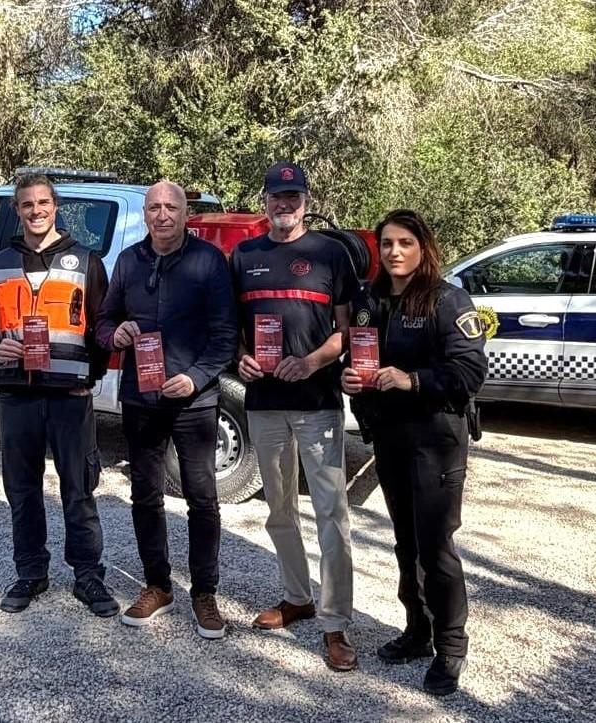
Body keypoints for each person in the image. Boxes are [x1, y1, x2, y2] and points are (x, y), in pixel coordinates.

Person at [342, 209, 488, 696]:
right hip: (391, 438)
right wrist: (351, 380)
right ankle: (417, 631)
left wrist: (412, 380)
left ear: (423, 247)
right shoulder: (371, 299)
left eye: (404, 242)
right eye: (386, 244)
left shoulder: (448, 300)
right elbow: (358, 355)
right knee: (405, 542)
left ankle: (451, 648)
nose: (394, 252)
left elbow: (469, 373)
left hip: (436, 441)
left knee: (436, 546)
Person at [0, 173, 118, 618]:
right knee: (22, 489)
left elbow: (102, 328)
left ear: (56, 207)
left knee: (78, 489)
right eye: (28, 204)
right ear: (18, 210)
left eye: (43, 203)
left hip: (70, 396)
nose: (36, 211)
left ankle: (88, 575)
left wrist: (87, 377)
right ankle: (31, 572)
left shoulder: (86, 261)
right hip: (17, 395)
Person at [230, 161, 360, 672]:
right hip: (262, 403)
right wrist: (239, 356)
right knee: (279, 510)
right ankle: (297, 597)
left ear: (305, 200)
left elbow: (348, 330)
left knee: (332, 515)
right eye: (276, 197)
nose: (284, 205)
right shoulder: (245, 254)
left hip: (317, 404)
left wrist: (311, 362)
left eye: (293, 197)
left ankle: (335, 624)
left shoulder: (331, 252)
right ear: (264, 201)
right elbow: (233, 326)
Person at [95, 180, 238, 639]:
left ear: (184, 214)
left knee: (202, 498)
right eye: (154, 207)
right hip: (141, 398)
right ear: (146, 214)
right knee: (145, 495)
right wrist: (113, 336)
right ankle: (157, 585)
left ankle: (204, 593)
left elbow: (226, 336)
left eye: (170, 207)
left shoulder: (209, 262)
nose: (162, 215)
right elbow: (103, 320)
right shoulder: (128, 262)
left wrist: (195, 377)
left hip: (194, 401)